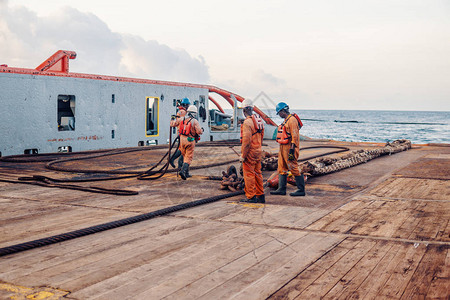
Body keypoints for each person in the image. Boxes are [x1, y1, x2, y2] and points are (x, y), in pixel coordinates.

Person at [270, 102, 305, 196]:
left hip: (290, 148)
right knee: (281, 167)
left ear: (282, 111)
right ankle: (281, 189)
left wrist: (292, 150)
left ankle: (301, 190)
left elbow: (295, 136)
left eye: (279, 113)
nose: (279, 115)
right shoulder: (286, 120)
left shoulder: (292, 120)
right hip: (283, 147)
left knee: (293, 167)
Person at [239, 99, 265, 203]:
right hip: (258, 151)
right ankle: (260, 195)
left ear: (244, 110)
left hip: (250, 153)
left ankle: (251, 197)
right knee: (258, 173)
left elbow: (246, 142)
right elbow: (261, 137)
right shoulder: (259, 121)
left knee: (249, 174)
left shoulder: (247, 123)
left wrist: (243, 156)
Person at [170, 105, 202, 180]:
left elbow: (172, 124)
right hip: (190, 140)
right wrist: (202, 130)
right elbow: (199, 131)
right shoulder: (195, 121)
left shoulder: (182, 119)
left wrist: (172, 119)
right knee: (188, 157)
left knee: (182, 152)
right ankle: (183, 171)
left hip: (182, 139)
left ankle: (172, 159)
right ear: (194, 113)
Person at [169, 98, 191, 169]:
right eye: (187, 105)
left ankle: (177, 164)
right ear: (185, 105)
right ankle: (181, 169)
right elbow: (177, 122)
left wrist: (172, 120)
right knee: (184, 152)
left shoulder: (181, 112)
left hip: (182, 134)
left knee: (182, 150)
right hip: (183, 134)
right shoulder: (182, 112)